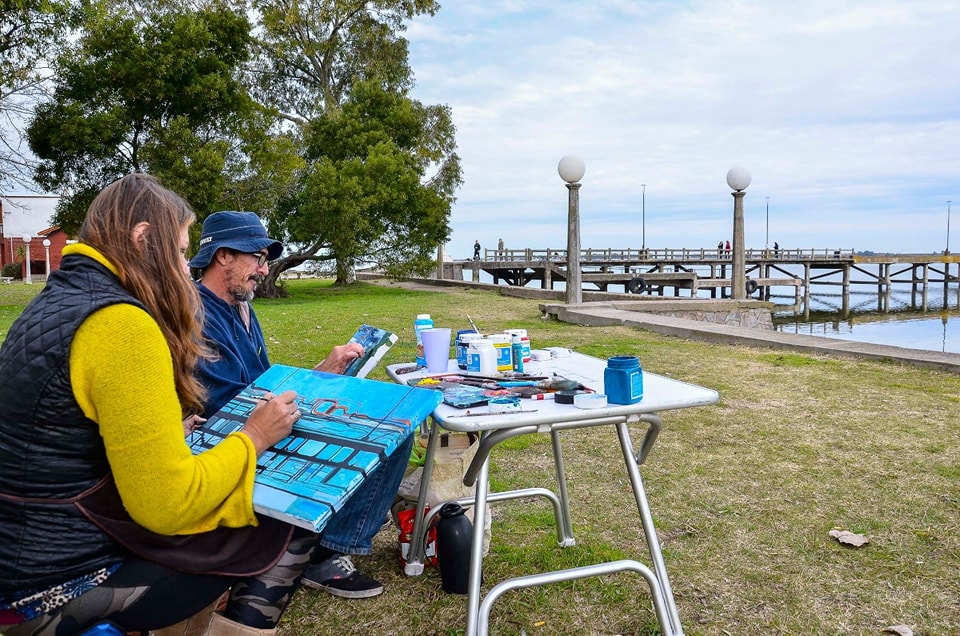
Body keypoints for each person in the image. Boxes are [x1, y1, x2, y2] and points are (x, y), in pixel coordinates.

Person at [0, 174, 313, 635]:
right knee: (284, 526)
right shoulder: (122, 323)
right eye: (183, 251)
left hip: (21, 547)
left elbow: (57, 435)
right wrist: (256, 436)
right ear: (144, 239)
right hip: (56, 584)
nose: (185, 265)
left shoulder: (55, 301)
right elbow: (170, 506)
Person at [190, 211, 413, 600]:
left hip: (259, 421)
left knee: (394, 425)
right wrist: (309, 400)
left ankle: (330, 537)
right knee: (384, 435)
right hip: (233, 438)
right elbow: (230, 405)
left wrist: (324, 371)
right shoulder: (197, 313)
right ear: (223, 256)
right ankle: (324, 553)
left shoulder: (240, 306)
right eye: (256, 258)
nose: (263, 269)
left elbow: (261, 386)